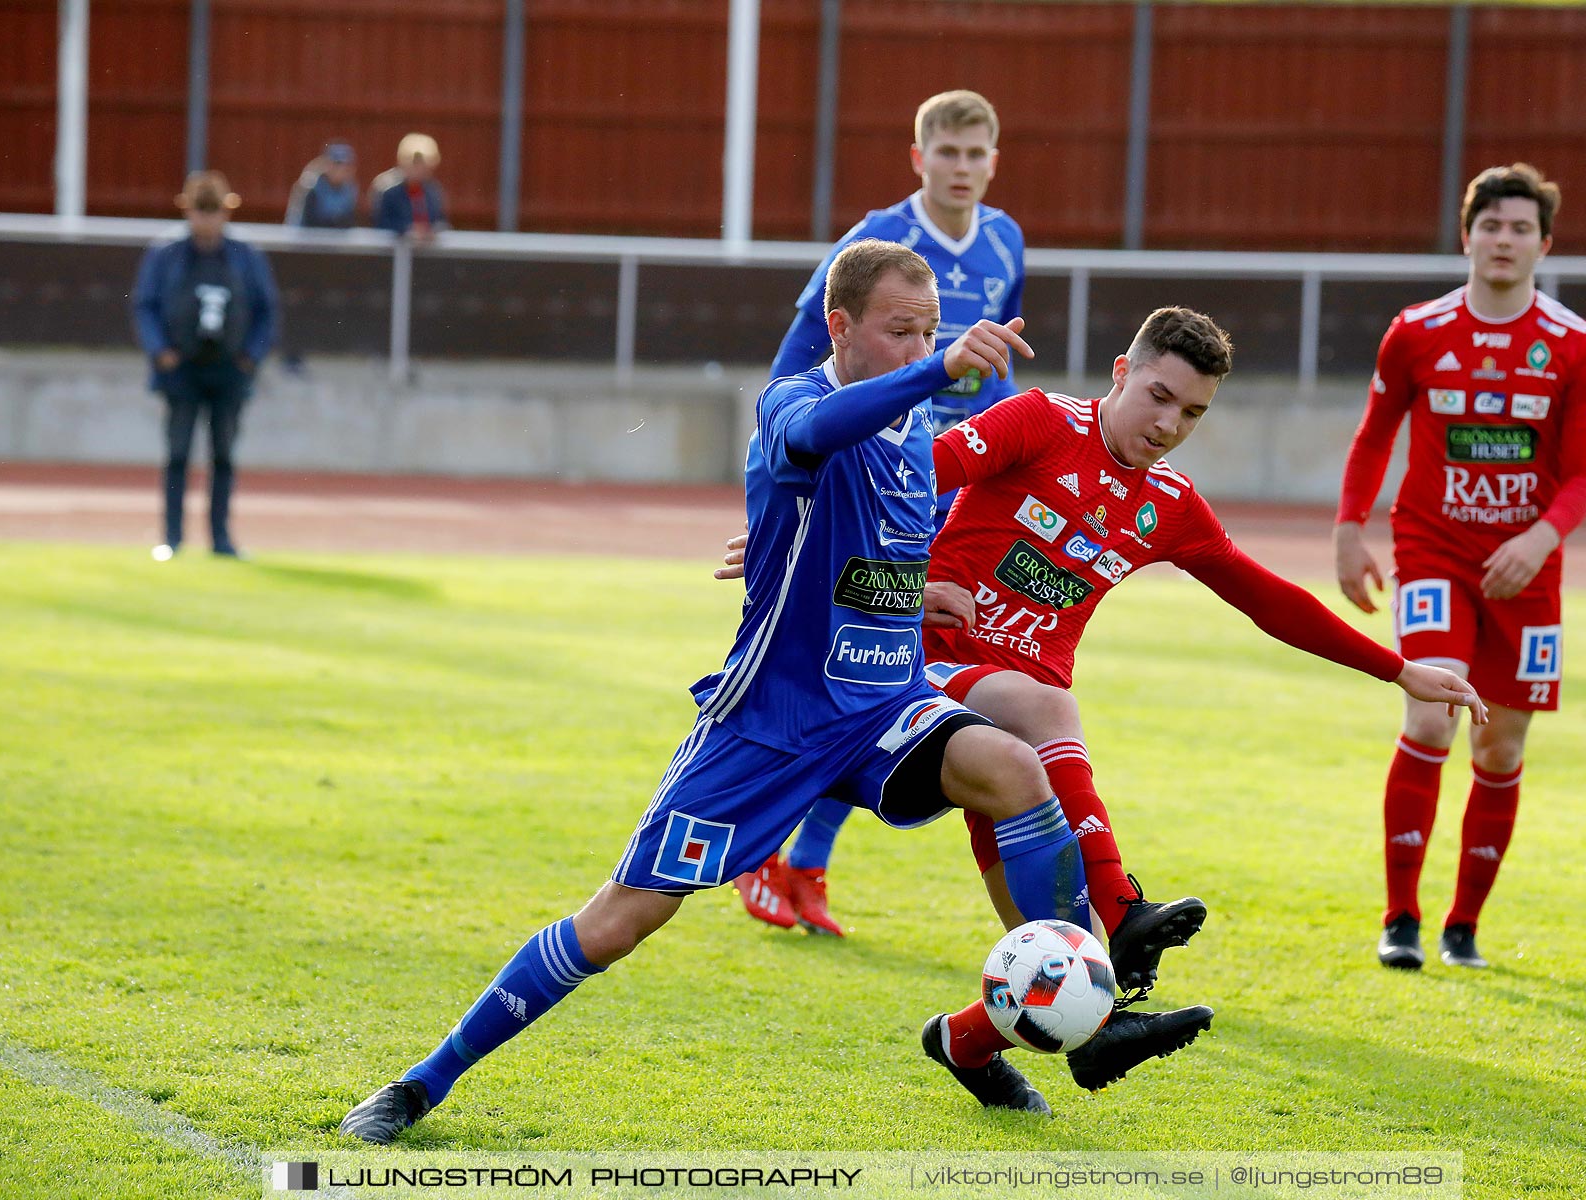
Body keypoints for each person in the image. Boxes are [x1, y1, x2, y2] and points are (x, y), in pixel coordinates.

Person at [340, 240, 1101, 1143]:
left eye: (929, 332)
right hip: (770, 722)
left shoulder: (913, 442)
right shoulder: (794, 402)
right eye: (901, 331)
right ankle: (422, 1084)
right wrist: (938, 367)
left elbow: (860, 571)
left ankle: (1065, 995)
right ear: (840, 324)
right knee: (619, 923)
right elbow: (813, 440)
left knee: (1016, 770)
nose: (919, 349)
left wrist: (921, 591)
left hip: (881, 709)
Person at [722, 307, 1486, 1102]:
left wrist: (1398, 670)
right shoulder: (1041, 422)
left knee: (1057, 949)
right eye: (1158, 395)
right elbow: (897, 480)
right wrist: (795, 538)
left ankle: (969, 1042)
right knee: (1048, 710)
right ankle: (1124, 911)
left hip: (1012, 721)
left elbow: (1268, 600)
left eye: (1192, 412)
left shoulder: (1171, 505)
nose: (1169, 423)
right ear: (1122, 369)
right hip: (922, 669)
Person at [740, 89, 1027, 937]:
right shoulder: (878, 240)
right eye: (949, 153)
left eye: (978, 155)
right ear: (919, 158)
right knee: (848, 671)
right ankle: (768, 846)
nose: (964, 169)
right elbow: (795, 371)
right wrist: (777, 499)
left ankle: (805, 862)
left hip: (944, 488)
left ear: (994, 162)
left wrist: (1013, 450)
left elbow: (993, 369)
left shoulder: (1006, 239)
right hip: (858, 486)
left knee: (899, 681)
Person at [1333, 163, 1586, 971]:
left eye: (1521, 228)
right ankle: (1402, 919)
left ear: (1544, 244)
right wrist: (1351, 528)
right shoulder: (1417, 330)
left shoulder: (1575, 344)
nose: (1504, 239)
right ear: (1467, 235)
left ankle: (1463, 928)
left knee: (1500, 749)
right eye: (1491, 225)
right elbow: (1374, 436)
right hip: (1432, 552)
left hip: (1528, 571)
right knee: (1430, 716)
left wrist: (1540, 540)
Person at [131, 170, 278, 560]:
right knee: (178, 454)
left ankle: (221, 538)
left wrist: (250, 356)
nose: (207, 220)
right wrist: (160, 350)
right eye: (200, 211)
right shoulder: (166, 254)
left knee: (224, 456)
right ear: (188, 212)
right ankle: (172, 537)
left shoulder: (246, 256)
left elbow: (266, 310)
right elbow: (145, 304)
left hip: (228, 369)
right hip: (181, 369)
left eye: (214, 212)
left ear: (226, 214)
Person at [371, 133, 448, 240]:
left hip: (426, 253)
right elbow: (380, 223)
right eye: (415, 163)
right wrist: (407, 229)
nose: (420, 169)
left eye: (425, 164)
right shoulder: (387, 189)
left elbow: (441, 221)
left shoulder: (433, 191)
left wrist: (433, 231)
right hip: (393, 252)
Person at [284, 141, 359, 229]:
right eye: (338, 164)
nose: (343, 169)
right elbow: (303, 221)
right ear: (327, 164)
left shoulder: (349, 189)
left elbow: (348, 222)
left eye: (347, 165)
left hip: (334, 240)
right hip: (307, 237)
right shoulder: (311, 186)